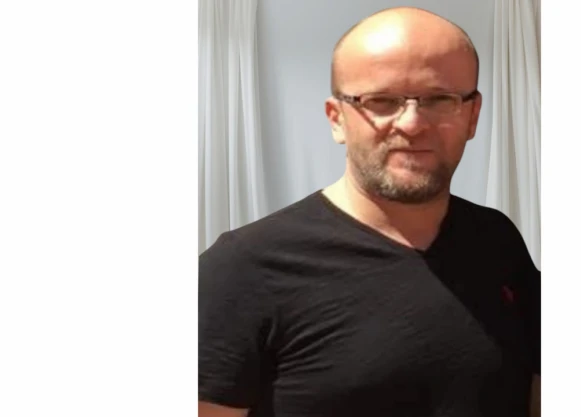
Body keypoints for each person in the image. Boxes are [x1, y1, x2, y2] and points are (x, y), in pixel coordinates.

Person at [199, 6, 540, 417]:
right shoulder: (243, 268)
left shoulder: (497, 242)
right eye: (381, 101)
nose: (412, 124)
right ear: (337, 119)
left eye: (440, 99)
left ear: (472, 115)